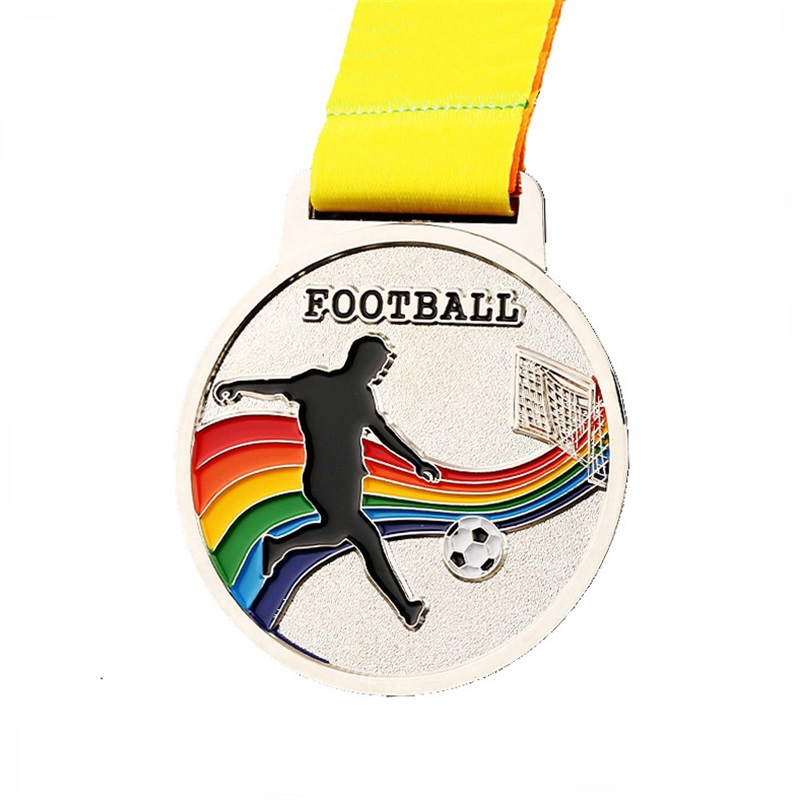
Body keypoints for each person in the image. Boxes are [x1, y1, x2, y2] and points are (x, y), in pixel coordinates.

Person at [213, 335, 440, 630]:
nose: (380, 373)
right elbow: (277, 387)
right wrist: (238, 387)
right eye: (380, 365)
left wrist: (417, 462)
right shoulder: (317, 384)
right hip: (325, 478)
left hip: (349, 478)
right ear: (366, 361)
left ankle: (279, 546)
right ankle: (405, 607)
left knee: (338, 533)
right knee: (365, 538)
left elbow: (384, 432)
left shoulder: (362, 396)